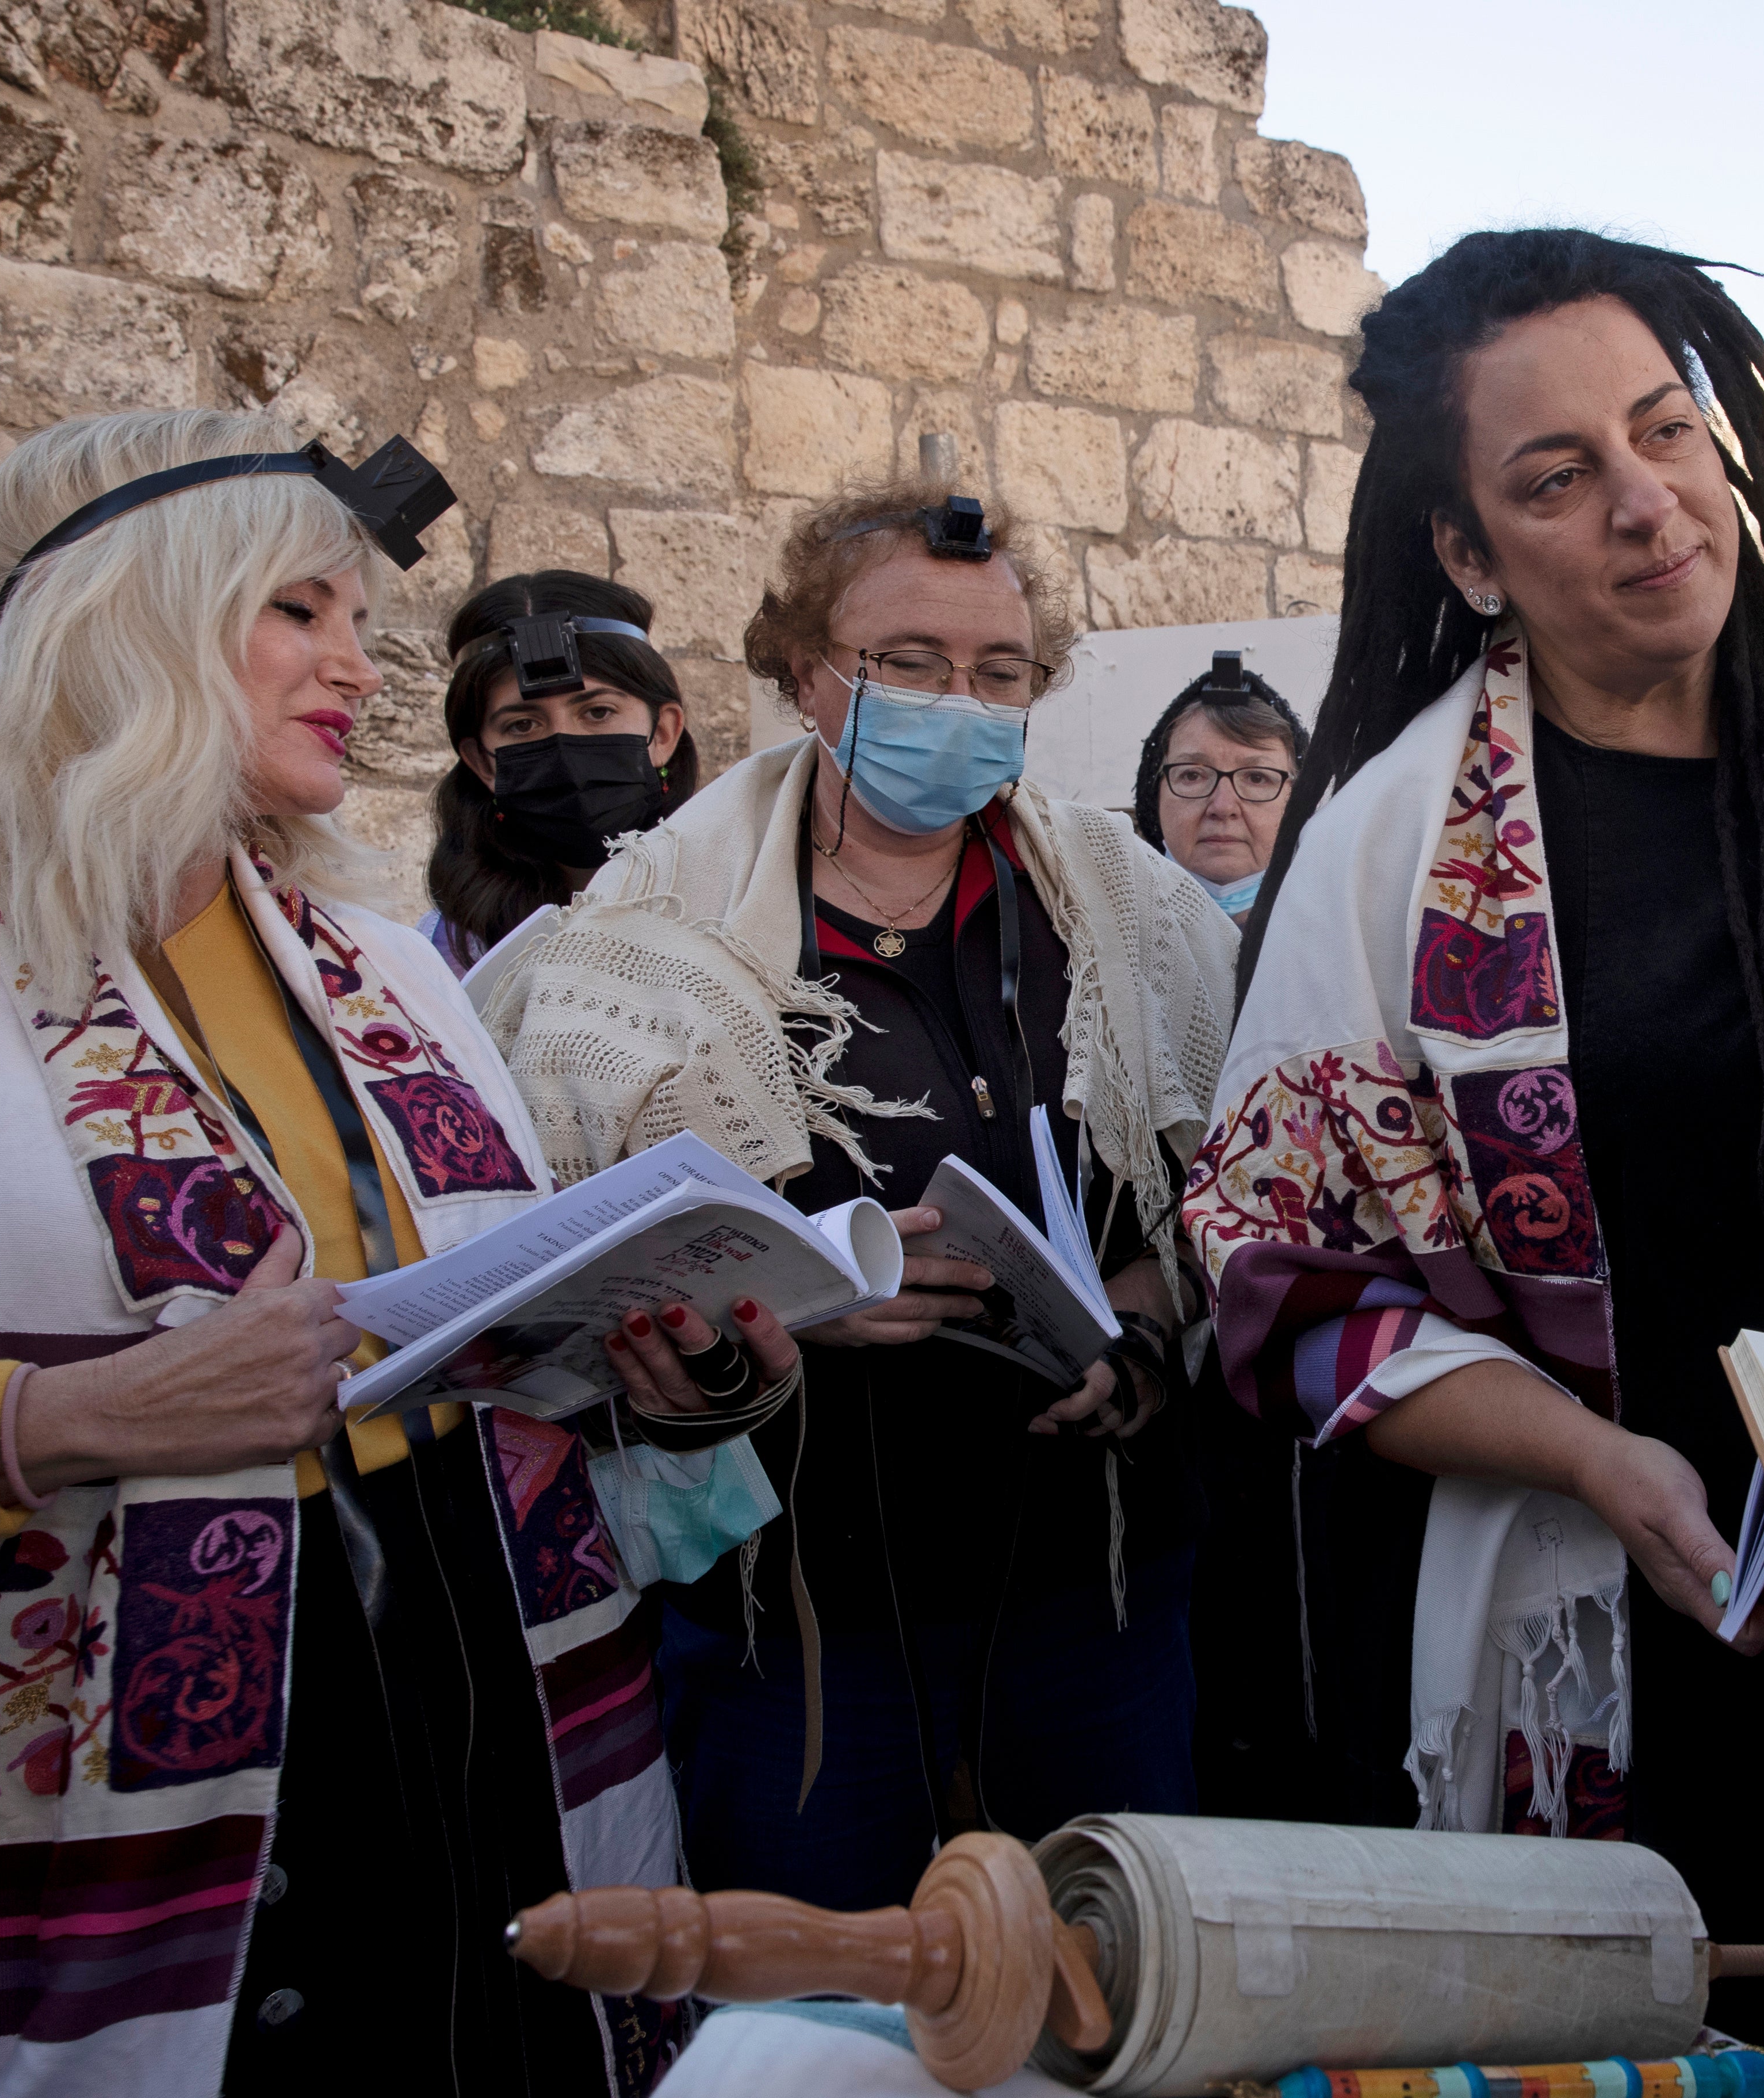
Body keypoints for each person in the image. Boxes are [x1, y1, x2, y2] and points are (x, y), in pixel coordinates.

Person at [1179, 229, 1764, 2092]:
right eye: (1554, 476)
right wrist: (1596, 1454)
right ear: (1467, 552)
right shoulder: (1390, 851)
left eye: (1663, 429)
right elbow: (1276, 1279)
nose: (1645, 501)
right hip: (1606, 1623)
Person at [0, 408, 683, 2095]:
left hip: (467, 1706)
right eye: (300, 609)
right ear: (126, 615)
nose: (356, 663)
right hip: (96, 1790)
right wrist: (60, 1421)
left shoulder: (386, 965)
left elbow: (496, 1335)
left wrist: (681, 1363)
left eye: (357, 620)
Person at [488, 482, 1239, 1915]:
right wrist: (792, 1304)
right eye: (904, 663)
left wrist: (1139, 1331)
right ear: (800, 670)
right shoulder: (641, 935)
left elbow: (1225, 1193)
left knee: (1108, 1994)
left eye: (998, 672)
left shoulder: (1130, 909)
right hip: (798, 1631)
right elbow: (559, 1287)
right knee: (818, 2023)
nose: (958, 701)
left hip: (1100, 1595)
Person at [421, 572, 697, 971]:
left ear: (664, 733)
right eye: (523, 725)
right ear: (482, 761)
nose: (565, 751)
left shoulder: (744, 902)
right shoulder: (441, 960)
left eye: (598, 712)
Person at [1128, 652, 1306, 924]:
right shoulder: (1094, 932)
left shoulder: (1339, 936)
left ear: (1298, 801)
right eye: (1192, 775)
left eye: (1257, 778)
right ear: (1155, 797)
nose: (1223, 807)